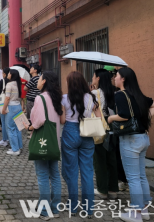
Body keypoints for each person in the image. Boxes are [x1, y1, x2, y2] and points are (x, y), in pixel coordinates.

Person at [107, 67, 154, 222]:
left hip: (130, 140)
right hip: (143, 138)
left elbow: (124, 116)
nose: (114, 78)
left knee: (133, 178)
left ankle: (136, 213)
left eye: (116, 75)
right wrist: (144, 120)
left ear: (123, 78)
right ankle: (144, 210)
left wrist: (110, 119)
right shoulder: (138, 94)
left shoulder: (120, 95)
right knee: (141, 176)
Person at [61, 71, 101, 217]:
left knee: (71, 172)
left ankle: (73, 207)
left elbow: (62, 121)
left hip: (70, 132)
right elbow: (98, 117)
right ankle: (89, 209)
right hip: (87, 132)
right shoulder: (92, 97)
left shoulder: (64, 98)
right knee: (87, 172)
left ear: (70, 84)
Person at [24, 71, 63, 220]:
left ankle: (45, 211)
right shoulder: (56, 98)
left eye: (39, 79)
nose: (38, 82)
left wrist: (29, 127)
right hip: (54, 141)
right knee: (54, 175)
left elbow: (39, 121)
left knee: (42, 176)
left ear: (45, 81)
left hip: (43, 141)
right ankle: (55, 207)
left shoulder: (40, 98)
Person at [91, 69, 119, 200]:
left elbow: (88, 108)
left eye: (94, 76)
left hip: (100, 128)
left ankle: (102, 190)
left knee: (100, 159)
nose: (92, 78)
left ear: (98, 78)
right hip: (113, 127)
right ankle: (113, 190)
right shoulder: (114, 93)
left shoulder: (94, 93)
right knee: (111, 159)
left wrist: (91, 91)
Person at [1, 69, 23, 155]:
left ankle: (15, 149)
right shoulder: (18, 84)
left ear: (11, 75)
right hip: (18, 106)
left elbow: (7, 98)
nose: (8, 74)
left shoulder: (9, 84)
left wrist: (4, 108)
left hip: (11, 107)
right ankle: (19, 146)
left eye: (9, 73)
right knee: (18, 128)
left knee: (10, 128)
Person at [24, 64, 42, 136]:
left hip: (31, 99)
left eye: (32, 68)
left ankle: (31, 130)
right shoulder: (39, 78)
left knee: (30, 115)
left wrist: (28, 88)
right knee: (35, 115)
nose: (30, 69)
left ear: (35, 70)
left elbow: (25, 88)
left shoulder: (33, 78)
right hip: (37, 99)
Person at [0, 67, 10, 147]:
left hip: (3, 102)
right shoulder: (14, 81)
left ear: (5, 74)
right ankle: (9, 138)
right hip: (12, 103)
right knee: (9, 122)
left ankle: (5, 139)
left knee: (4, 122)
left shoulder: (3, 81)